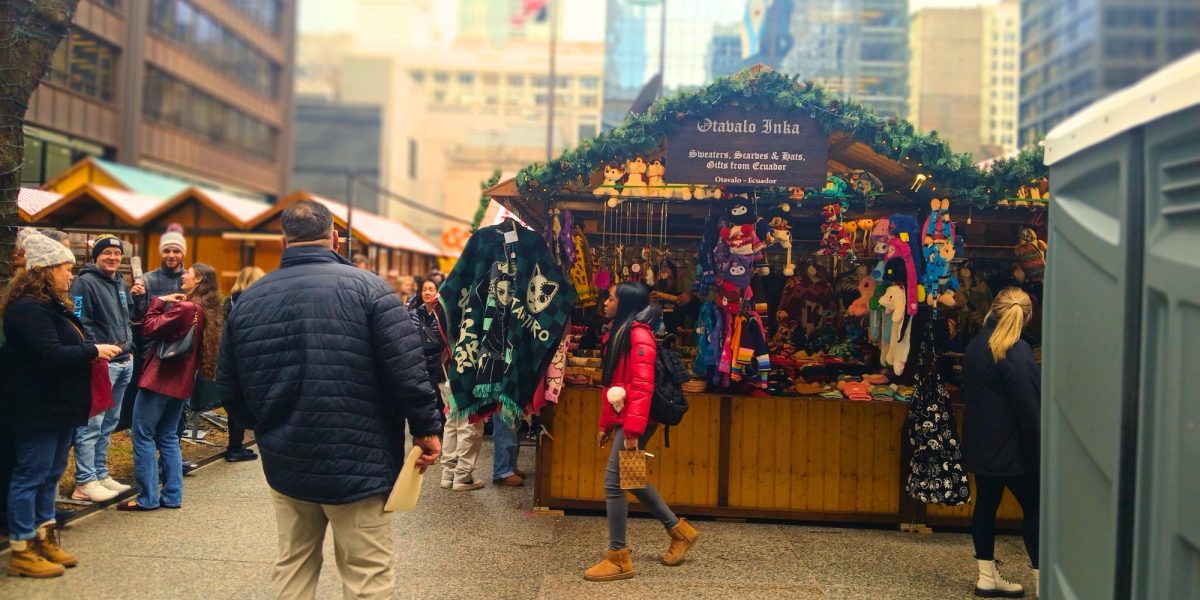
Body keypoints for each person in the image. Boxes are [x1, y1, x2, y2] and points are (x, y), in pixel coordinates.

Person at [217, 200, 443, 600]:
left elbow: (229, 386)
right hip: (360, 457)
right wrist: (427, 429)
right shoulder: (372, 290)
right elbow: (407, 372)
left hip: (287, 457)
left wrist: (265, 426)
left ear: (283, 240)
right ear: (335, 236)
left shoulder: (249, 301)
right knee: (367, 574)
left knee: (294, 565)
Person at [1, 232, 122, 578]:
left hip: (59, 408)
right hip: (37, 408)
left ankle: (45, 536)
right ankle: (23, 548)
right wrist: (94, 350)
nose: (71, 275)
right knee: (31, 474)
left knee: (50, 474)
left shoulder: (52, 306)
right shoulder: (28, 309)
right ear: (46, 270)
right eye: (65, 268)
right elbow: (51, 355)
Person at [584, 282, 699, 582]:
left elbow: (642, 386)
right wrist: (605, 424)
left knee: (614, 482)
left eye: (610, 298)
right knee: (630, 478)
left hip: (639, 418)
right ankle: (679, 531)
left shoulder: (637, 335)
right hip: (630, 417)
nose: (605, 302)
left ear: (625, 304)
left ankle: (619, 558)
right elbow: (616, 385)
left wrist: (632, 432)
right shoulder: (619, 332)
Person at [117, 264, 223, 512]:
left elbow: (149, 327)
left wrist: (159, 301)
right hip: (182, 382)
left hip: (160, 378)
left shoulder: (186, 307)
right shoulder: (204, 309)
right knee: (168, 437)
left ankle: (147, 498)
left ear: (198, 280)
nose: (184, 276)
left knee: (142, 434)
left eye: (188, 273)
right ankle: (172, 495)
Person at [962, 287, 1041, 598]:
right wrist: (1040, 450)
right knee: (1036, 509)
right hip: (1014, 448)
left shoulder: (975, 346)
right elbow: (1029, 408)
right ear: (1027, 317)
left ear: (993, 310)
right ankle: (1042, 581)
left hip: (982, 442)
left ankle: (987, 576)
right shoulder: (1017, 351)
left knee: (986, 505)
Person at [69, 234, 135, 503]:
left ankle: (100, 473)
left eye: (117, 254)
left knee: (109, 423)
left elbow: (129, 316)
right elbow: (78, 320)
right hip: (102, 364)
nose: (113, 257)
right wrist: (98, 351)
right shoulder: (84, 283)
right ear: (96, 255)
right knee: (92, 424)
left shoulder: (120, 283)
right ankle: (84, 481)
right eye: (107, 252)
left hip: (124, 361)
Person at [131, 224, 199, 476]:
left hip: (183, 358)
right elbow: (137, 317)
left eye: (176, 251)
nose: (172, 255)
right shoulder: (147, 279)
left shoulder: (189, 280)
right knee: (150, 420)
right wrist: (137, 297)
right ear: (162, 252)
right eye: (167, 250)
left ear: (182, 254)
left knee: (177, 418)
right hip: (155, 356)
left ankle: (169, 462)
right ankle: (156, 468)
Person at [411, 281, 484, 492]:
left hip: (447, 371)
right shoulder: (470, 302)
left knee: (453, 421)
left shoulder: (442, 305)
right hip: (467, 369)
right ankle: (462, 475)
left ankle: (448, 473)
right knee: (469, 422)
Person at [222, 266, 265, 462]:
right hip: (255, 356)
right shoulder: (259, 302)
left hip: (235, 355)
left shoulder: (229, 301)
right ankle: (244, 446)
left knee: (237, 399)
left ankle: (235, 445)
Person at [648, 260, 700, 336]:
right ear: (655, 277)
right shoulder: (646, 294)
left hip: (673, 342)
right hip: (649, 340)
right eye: (661, 278)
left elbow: (699, 314)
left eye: (669, 278)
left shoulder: (680, 297)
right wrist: (645, 301)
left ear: (674, 279)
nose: (664, 282)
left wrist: (691, 299)